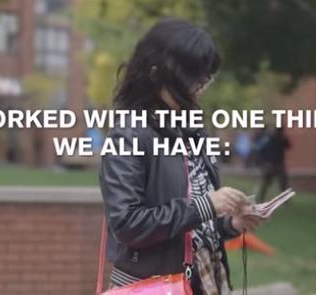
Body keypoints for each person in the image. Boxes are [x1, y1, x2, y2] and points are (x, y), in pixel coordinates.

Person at [99, 18, 265, 295]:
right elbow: (127, 225)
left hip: (204, 280)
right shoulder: (129, 137)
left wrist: (230, 224)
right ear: (155, 74)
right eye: (193, 78)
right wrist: (206, 206)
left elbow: (193, 232)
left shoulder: (194, 132)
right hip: (154, 286)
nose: (201, 86)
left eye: (207, 77)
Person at [256, 127, 291, 202]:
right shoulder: (271, 138)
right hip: (273, 164)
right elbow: (262, 150)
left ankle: (261, 197)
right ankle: (261, 197)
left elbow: (288, 146)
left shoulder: (276, 138)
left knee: (280, 183)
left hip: (275, 164)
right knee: (269, 183)